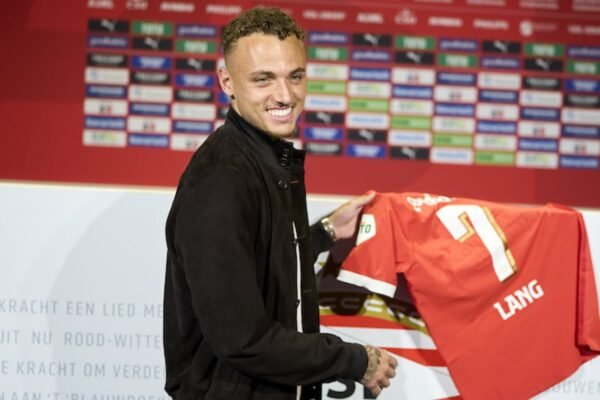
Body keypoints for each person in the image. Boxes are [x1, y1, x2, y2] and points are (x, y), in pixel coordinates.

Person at [163, 6, 397, 399]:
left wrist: (325, 232)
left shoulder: (262, 158)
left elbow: (260, 256)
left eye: (295, 76)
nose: (285, 96)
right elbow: (244, 340)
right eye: (263, 79)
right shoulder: (219, 181)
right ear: (227, 81)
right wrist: (356, 360)